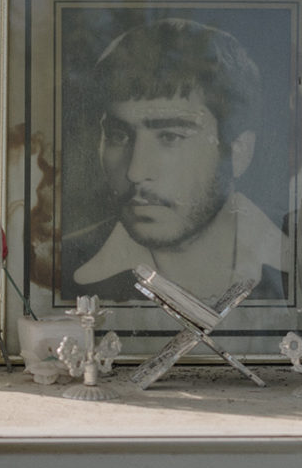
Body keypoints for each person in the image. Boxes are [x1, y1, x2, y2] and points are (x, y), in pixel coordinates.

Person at [66, 16, 287, 303]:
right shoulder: (56, 270)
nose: (135, 172)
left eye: (170, 137)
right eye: (119, 136)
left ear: (238, 151)